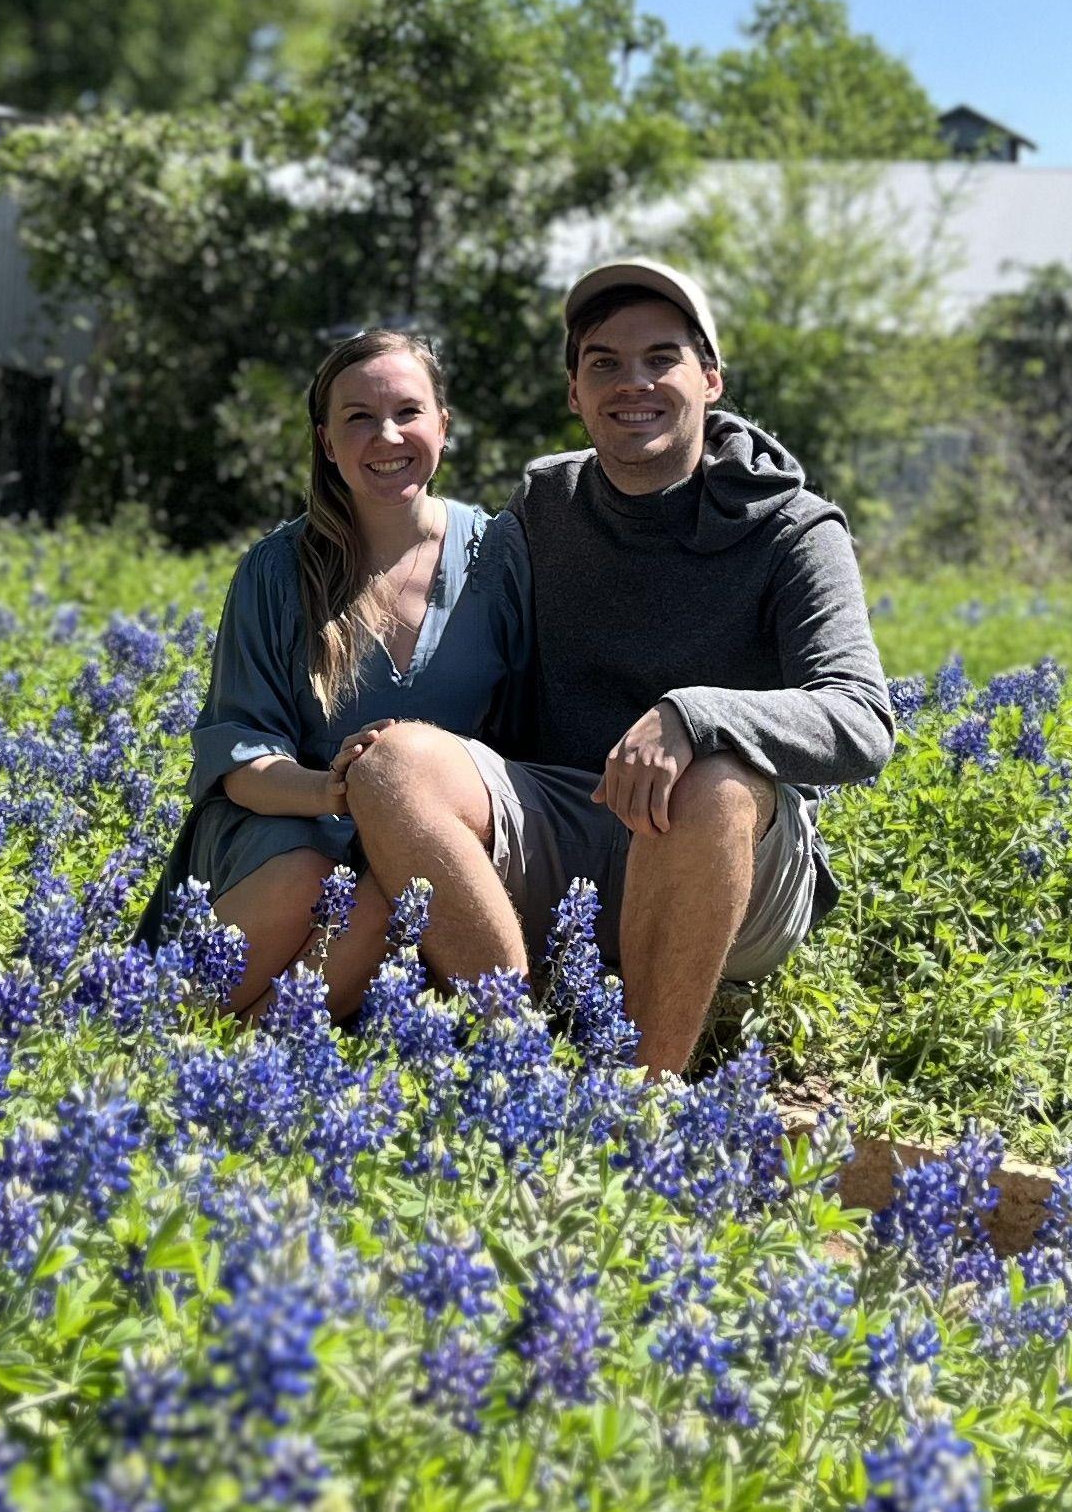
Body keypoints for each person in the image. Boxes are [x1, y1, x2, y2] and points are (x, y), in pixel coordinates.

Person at [326, 254, 890, 1076]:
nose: (634, 383)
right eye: (605, 364)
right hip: (567, 825)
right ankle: (519, 1063)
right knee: (393, 767)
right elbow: (478, 662)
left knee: (711, 778)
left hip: (726, 860)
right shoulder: (545, 506)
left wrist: (694, 716)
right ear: (575, 394)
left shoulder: (794, 529)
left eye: (661, 358)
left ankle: (643, 1094)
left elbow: (863, 720)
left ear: (711, 379)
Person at [153, 320, 525, 1013]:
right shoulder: (276, 570)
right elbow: (240, 759)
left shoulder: (501, 556)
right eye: (359, 418)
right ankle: (165, 1026)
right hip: (285, 827)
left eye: (408, 413)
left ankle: (247, 1057)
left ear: (443, 426)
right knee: (309, 872)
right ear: (326, 442)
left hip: (427, 839)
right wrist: (335, 790)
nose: (386, 436)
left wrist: (402, 807)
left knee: (404, 883)